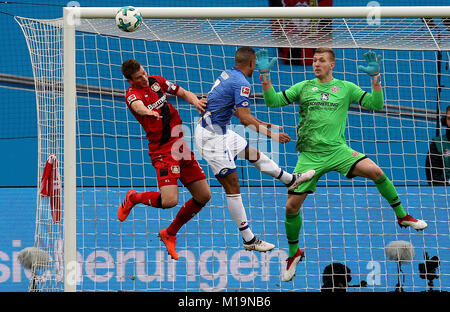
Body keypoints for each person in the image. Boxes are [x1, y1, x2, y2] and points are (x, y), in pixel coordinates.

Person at [256, 47, 428, 282]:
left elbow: (376, 105)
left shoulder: (345, 88)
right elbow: (272, 101)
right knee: (290, 208)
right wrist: (265, 75)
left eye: (322, 60)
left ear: (332, 64)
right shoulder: (304, 87)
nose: (316, 64)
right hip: (310, 156)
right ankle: (293, 253)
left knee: (376, 171)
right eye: (315, 60)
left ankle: (402, 215)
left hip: (339, 151)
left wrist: (375, 79)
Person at [194, 46, 315, 252]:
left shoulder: (228, 74)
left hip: (218, 130)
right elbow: (244, 118)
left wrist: (265, 125)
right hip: (212, 139)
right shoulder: (242, 83)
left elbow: (234, 111)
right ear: (251, 63)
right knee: (232, 186)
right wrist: (272, 135)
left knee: (252, 153)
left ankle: (290, 180)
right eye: (256, 64)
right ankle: (249, 240)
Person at [118, 59, 211, 260]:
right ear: (129, 81)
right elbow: (138, 106)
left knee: (204, 195)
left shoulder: (156, 81)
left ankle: (169, 233)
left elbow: (182, 92)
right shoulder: (132, 95)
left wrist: (195, 101)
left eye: (144, 73)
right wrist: (148, 111)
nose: (144, 78)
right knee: (170, 201)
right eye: (138, 77)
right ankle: (134, 198)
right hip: (162, 150)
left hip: (180, 143)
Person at [426, 105, 450, 186]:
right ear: (445, 121)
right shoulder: (437, 144)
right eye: (449, 119)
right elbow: (432, 175)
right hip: (445, 192)